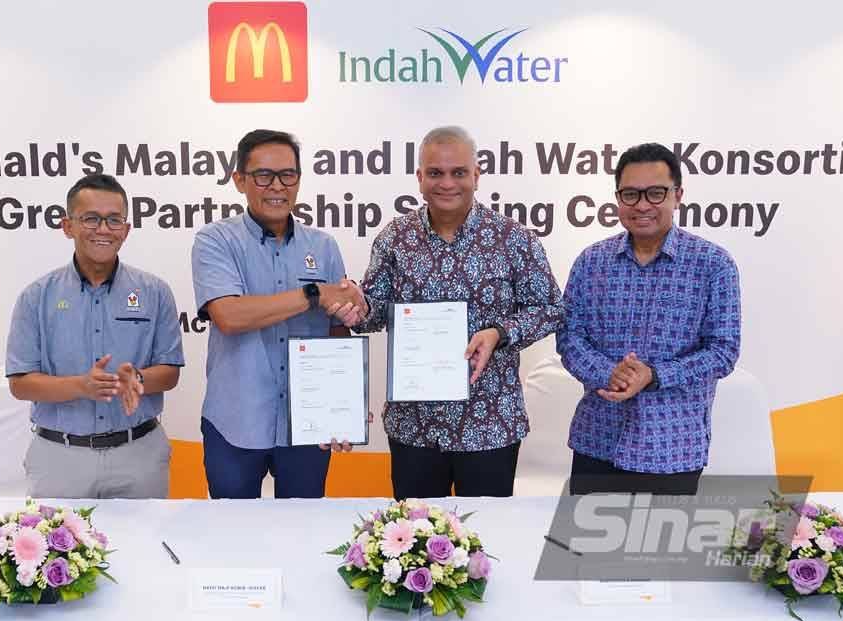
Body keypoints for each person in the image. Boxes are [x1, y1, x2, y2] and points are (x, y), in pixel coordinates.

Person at [351, 125, 562, 499]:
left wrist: (500, 331)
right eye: (435, 173)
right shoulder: (395, 238)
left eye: (459, 173)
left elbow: (549, 308)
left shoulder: (513, 238)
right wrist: (355, 307)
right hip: (414, 424)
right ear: (419, 178)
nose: (447, 183)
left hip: (490, 423)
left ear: (476, 176)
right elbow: (376, 310)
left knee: (485, 542)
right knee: (413, 542)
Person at [557, 142, 741, 495]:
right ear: (618, 198)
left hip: (671, 446)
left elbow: (723, 351)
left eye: (656, 193)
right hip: (598, 440)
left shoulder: (713, 264)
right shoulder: (591, 262)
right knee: (585, 550)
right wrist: (608, 372)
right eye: (630, 194)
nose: (642, 205)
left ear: (678, 195)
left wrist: (654, 375)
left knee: (659, 550)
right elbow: (569, 338)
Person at [191, 129, 366, 499]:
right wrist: (314, 294)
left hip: (308, 423)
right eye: (263, 176)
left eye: (288, 175)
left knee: (304, 535)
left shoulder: (323, 246)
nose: (277, 186)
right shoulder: (215, 240)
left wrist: (344, 402)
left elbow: (336, 332)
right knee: (231, 536)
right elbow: (230, 316)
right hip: (234, 421)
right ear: (239, 180)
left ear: (299, 180)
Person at [6, 174, 184, 498]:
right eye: (90, 219)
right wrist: (81, 386)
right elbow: (20, 384)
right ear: (68, 226)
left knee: (144, 547)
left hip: (139, 454)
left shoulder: (155, 292)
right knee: (58, 548)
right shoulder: (36, 296)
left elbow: (170, 373)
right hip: (59, 458)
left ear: (126, 230)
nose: (103, 229)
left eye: (114, 220)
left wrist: (138, 378)